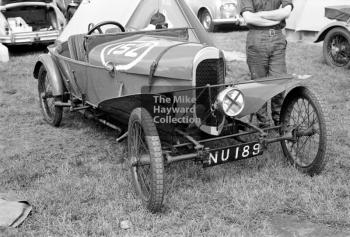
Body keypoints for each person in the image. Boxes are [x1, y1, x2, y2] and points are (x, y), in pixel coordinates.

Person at [239, 0, 293, 127]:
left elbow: (286, 11)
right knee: (259, 84)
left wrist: (261, 14)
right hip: (256, 39)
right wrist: (276, 18)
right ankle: (263, 122)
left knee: (279, 80)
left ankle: (280, 119)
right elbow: (249, 18)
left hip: (277, 39)